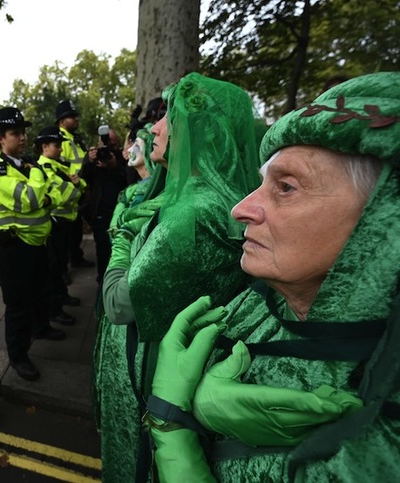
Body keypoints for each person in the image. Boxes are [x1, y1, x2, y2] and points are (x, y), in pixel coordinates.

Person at [147, 71, 400, 481]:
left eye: (286, 187)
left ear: (382, 219)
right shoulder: (259, 303)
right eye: (263, 182)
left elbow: (126, 299)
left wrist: (173, 426)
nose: (240, 209)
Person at [95, 73, 262, 482]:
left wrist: (122, 240)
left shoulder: (194, 211)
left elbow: (118, 304)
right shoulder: (187, 195)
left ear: (205, 130)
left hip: (148, 377)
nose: (154, 127)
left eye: (171, 116)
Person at [0, 107, 66, 382]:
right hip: (14, 250)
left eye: (23, 132)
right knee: (18, 307)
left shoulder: (27, 166)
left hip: (37, 244)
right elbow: (33, 198)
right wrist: (39, 179)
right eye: (15, 133)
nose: (22, 138)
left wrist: (43, 195)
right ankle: (18, 356)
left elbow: (52, 197)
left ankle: (41, 328)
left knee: (41, 293)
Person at [34, 125, 86, 326]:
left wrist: (75, 186)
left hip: (66, 222)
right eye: (56, 145)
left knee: (61, 265)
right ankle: (54, 310)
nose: (61, 149)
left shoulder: (59, 165)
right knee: (54, 270)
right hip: (55, 223)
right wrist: (73, 187)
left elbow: (80, 187)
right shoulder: (43, 169)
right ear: (45, 146)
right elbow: (63, 195)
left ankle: (61, 297)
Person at [80, 128, 128, 284]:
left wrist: (115, 166)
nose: (108, 147)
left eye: (112, 143)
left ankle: (116, 281)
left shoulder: (121, 157)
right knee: (102, 249)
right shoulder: (92, 159)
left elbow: (128, 180)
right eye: (105, 144)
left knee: (119, 249)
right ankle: (102, 280)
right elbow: (83, 179)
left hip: (120, 211)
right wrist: (88, 161)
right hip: (100, 211)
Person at [56, 99, 94, 269]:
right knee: (66, 236)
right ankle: (63, 269)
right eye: (72, 116)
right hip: (70, 192)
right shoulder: (60, 140)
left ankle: (76, 258)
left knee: (75, 231)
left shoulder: (74, 139)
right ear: (62, 120)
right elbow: (62, 169)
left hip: (78, 190)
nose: (76, 119)